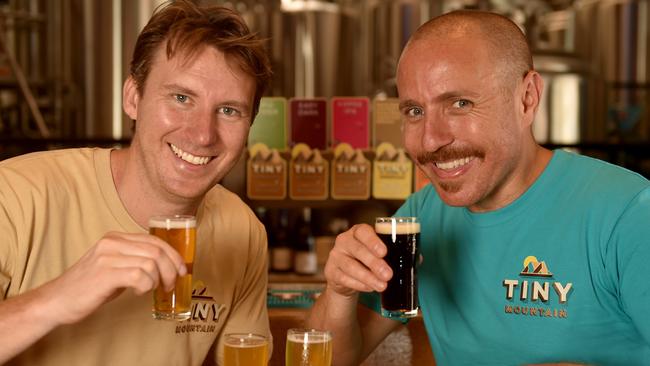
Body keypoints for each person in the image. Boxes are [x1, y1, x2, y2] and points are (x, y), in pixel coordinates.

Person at [307, 10, 650, 366]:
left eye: (460, 104)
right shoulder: (419, 217)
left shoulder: (628, 213)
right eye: (413, 111)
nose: (430, 139)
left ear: (527, 98)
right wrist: (339, 292)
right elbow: (323, 360)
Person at [0, 1, 272, 365]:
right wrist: (58, 298)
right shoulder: (16, 194)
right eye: (181, 98)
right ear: (133, 97)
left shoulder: (242, 230)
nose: (203, 135)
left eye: (228, 111)